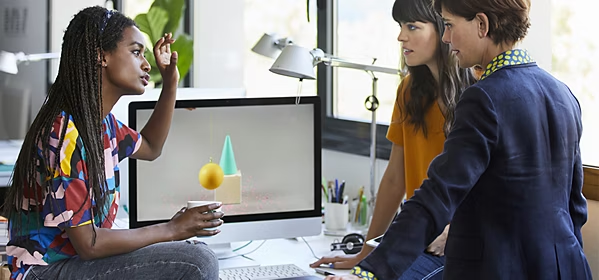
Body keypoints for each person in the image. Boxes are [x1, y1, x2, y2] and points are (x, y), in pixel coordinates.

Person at [326, 0, 592, 279]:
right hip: (568, 268)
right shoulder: (563, 94)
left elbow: (438, 194)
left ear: (482, 25)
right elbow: (574, 207)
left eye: (450, 25)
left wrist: (368, 273)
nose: (445, 37)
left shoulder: (484, 97)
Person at [3, 6, 223, 280]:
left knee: (191, 252)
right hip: (42, 271)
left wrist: (170, 83)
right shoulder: (65, 132)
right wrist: (171, 229)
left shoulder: (103, 125)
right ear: (101, 55)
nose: (146, 64)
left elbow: (152, 147)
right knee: (196, 262)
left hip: (75, 264)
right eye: (135, 52)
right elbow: (89, 244)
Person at [310, 0, 478, 278]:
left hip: (455, 244)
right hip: (416, 236)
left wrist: (453, 231)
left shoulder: (477, 95)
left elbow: (487, 187)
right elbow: (394, 179)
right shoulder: (409, 90)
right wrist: (366, 252)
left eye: (412, 26)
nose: (401, 36)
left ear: (443, 30)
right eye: (400, 26)